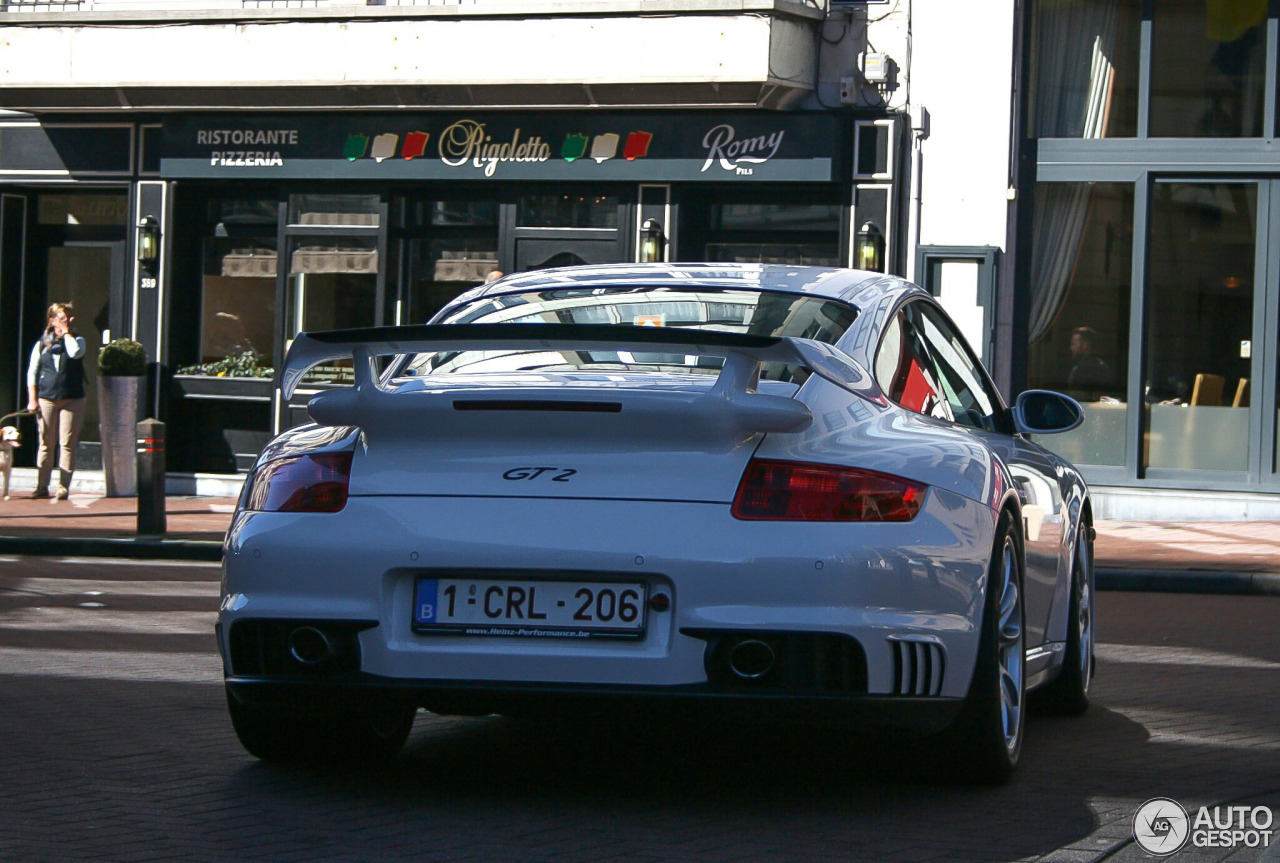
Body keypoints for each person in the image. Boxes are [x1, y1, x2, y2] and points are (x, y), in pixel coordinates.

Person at [26, 302, 87, 501]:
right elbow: (32, 372)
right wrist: (32, 400)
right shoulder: (42, 344)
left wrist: (67, 333)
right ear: (52, 320)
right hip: (47, 397)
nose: (67, 321)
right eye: (62, 317)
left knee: (67, 443)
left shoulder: (77, 340)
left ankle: (63, 487)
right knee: (46, 443)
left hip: (72, 398)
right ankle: (42, 485)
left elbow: (75, 353)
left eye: (68, 317)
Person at [1066, 325, 1111, 401]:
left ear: (1085, 345)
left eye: (1074, 344)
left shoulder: (1082, 370)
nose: (1071, 348)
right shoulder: (1102, 366)